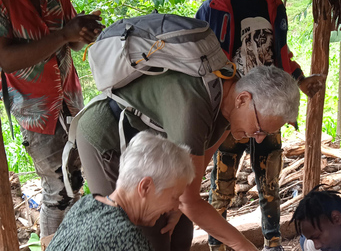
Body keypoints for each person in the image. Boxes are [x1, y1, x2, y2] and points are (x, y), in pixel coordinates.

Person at [75, 64, 300, 251]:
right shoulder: (196, 107)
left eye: (266, 134)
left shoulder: (230, 108)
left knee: (181, 231)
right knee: (148, 237)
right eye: (259, 129)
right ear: (243, 99)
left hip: (151, 152)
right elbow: (188, 200)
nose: (258, 139)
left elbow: (190, 177)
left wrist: (178, 206)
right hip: (109, 138)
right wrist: (243, 246)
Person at [195, 0, 323, 249]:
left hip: (269, 109)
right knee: (222, 183)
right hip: (232, 112)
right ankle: (216, 244)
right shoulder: (213, 9)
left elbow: (281, 54)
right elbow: (201, 60)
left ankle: (273, 241)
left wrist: (300, 80)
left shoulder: (274, 6)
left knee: (270, 181)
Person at [0, 0, 104, 245]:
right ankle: (55, 244)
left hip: (69, 99)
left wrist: (82, 32)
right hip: (35, 107)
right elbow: (5, 59)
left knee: (74, 180)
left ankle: (70, 243)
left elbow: (72, 42)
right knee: (58, 190)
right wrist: (63, 36)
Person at [46, 131, 195, 251]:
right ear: (145, 187)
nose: (176, 207)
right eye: (174, 196)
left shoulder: (85, 205)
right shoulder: (127, 239)